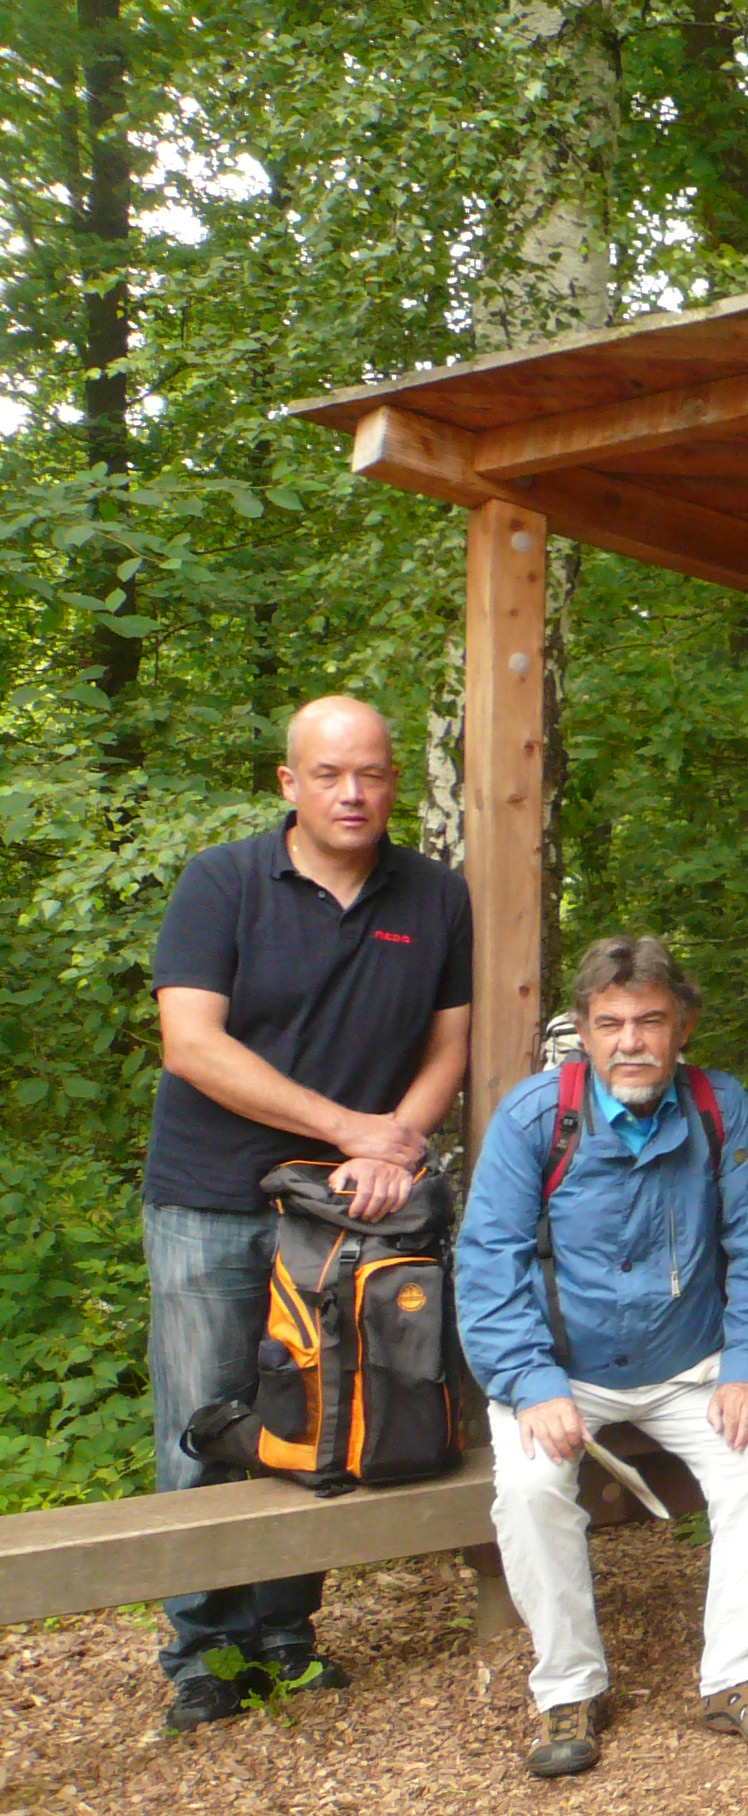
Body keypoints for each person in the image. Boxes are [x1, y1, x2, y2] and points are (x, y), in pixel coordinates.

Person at [143, 696, 471, 1733]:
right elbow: (191, 1044)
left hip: (340, 1214)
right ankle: (204, 1651)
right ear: (290, 783)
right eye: (329, 774)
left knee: (314, 1412)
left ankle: (285, 1632)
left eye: (370, 772)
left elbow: (448, 1046)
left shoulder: (435, 894)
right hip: (210, 1196)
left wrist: (392, 1145)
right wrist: (347, 1128)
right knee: (203, 1421)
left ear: (393, 782)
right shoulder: (223, 882)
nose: (352, 793)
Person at [456, 938, 748, 1777]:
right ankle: (567, 1688)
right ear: (583, 1032)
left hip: (690, 1366)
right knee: (532, 1487)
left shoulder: (718, 1108)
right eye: (610, 1024)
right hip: (561, 1371)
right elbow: (488, 1263)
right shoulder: (536, 1118)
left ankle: (741, 1676)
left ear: (682, 1026)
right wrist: (530, 1381)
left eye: (650, 1021)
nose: (631, 1042)